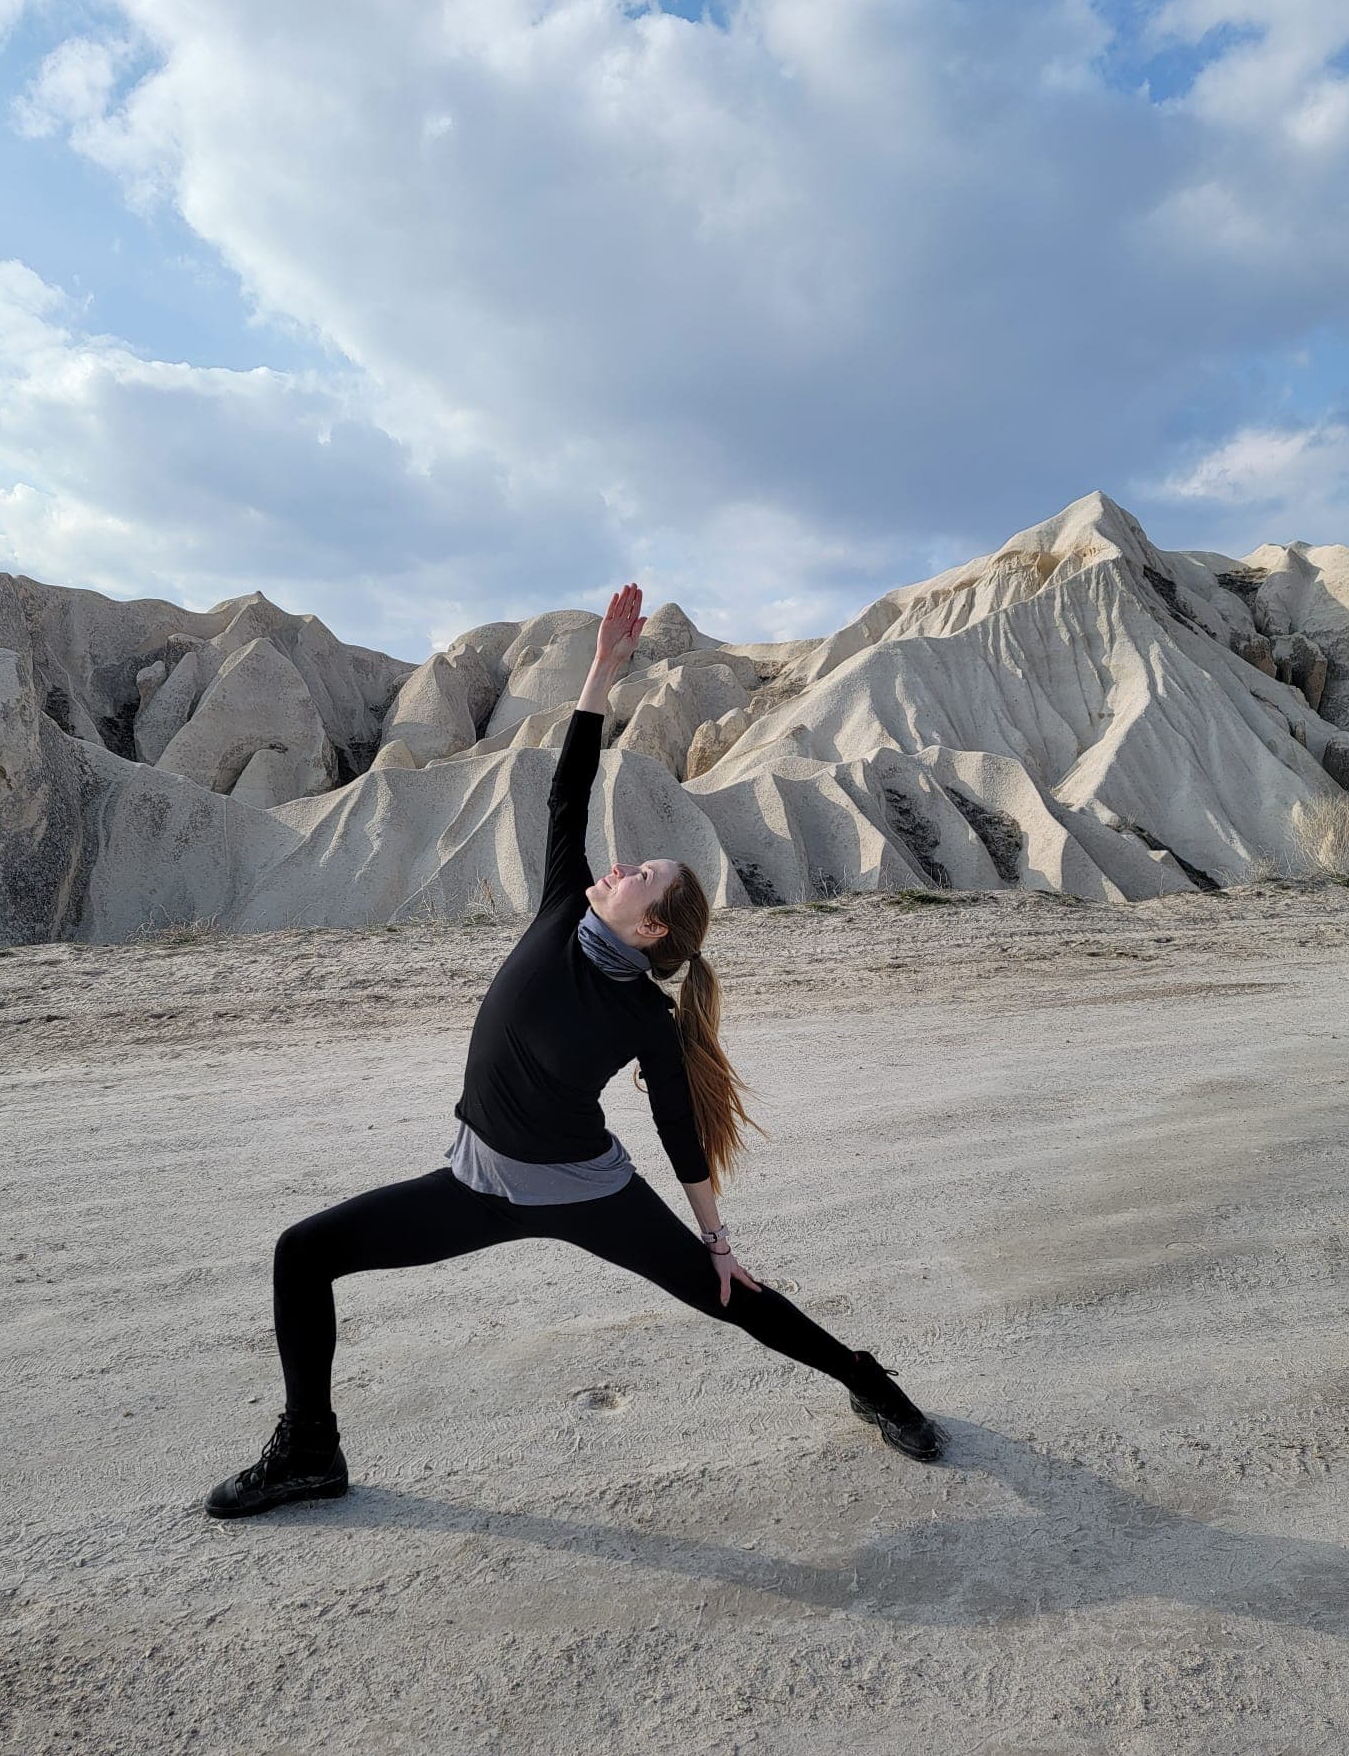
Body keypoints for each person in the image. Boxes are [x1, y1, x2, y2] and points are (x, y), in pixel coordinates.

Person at [206, 583, 947, 1518]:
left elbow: (679, 1129)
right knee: (304, 1253)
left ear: (651, 928)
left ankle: (868, 1380)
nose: (622, 866)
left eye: (643, 876)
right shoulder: (565, 905)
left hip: (588, 1195)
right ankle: (311, 1451)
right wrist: (602, 671)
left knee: (730, 1298)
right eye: (634, 862)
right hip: (478, 1186)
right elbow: (570, 789)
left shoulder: (644, 1015)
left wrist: (717, 1241)